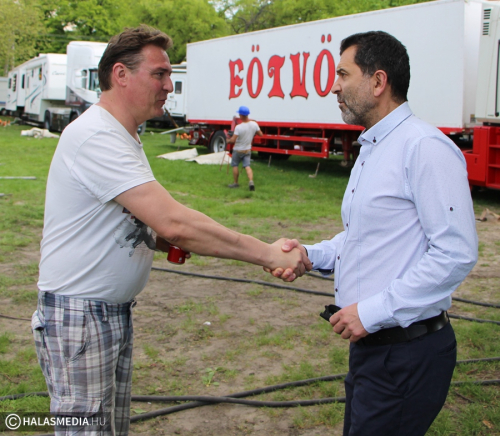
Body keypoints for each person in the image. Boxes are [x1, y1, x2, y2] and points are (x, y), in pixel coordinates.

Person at [32, 25, 311, 436]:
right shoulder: (96, 136)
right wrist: (267, 254)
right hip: (82, 317)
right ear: (121, 74)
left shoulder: (123, 134)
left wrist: (157, 239)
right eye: (159, 74)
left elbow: (135, 217)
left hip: (106, 313)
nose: (168, 85)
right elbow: (174, 222)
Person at [270, 31, 478, 436]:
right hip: (376, 350)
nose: (334, 87)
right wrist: (311, 254)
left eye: (343, 74)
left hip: (405, 353)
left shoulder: (423, 147)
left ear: (378, 81)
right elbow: (364, 236)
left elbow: (455, 253)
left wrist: (372, 312)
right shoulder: (375, 147)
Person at [227, 105, 263, 191]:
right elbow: (261, 134)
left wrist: (228, 140)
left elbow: (233, 140)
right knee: (247, 166)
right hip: (247, 150)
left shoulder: (238, 127)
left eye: (239, 114)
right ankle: (251, 181)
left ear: (241, 115)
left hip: (238, 150)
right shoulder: (254, 124)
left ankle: (235, 183)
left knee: (235, 165)